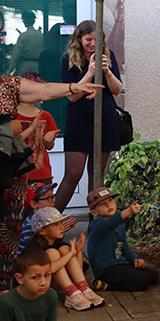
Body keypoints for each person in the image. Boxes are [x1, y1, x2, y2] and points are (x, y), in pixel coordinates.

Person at [0, 40, 102, 303]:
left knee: (11, 231)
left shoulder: (7, 85)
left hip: (10, 171)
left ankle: (2, 289)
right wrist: (7, 128)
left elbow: (42, 90)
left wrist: (74, 87)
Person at [53, 21, 123, 212]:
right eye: (88, 39)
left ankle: (96, 226)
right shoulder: (68, 59)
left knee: (97, 176)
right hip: (79, 122)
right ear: (79, 39)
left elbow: (117, 90)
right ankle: (49, 222)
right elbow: (73, 96)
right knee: (72, 175)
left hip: (105, 119)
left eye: (96, 40)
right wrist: (91, 72)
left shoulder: (108, 56)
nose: (93, 44)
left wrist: (107, 71)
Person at [29, 207, 103, 311]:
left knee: (65, 249)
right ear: (42, 231)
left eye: (61, 222)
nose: (61, 227)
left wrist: (78, 251)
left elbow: (77, 270)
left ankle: (84, 289)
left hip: (53, 286)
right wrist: (70, 255)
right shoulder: (34, 248)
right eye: (55, 224)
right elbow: (49, 269)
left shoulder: (59, 244)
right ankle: (71, 293)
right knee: (53, 253)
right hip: (37, 288)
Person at [85, 188, 158, 292]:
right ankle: (105, 285)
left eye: (110, 201)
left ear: (115, 202)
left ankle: (119, 279)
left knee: (153, 276)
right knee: (143, 281)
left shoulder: (120, 223)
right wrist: (129, 211)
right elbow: (110, 223)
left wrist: (134, 259)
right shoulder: (96, 225)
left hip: (121, 263)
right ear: (94, 212)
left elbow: (123, 245)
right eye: (102, 204)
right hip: (106, 269)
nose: (108, 205)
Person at [17, 73, 59, 186]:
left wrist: (47, 141)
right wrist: (31, 128)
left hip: (42, 175)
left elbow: (49, 147)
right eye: (37, 89)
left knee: (44, 202)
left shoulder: (46, 116)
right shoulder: (11, 116)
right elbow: (10, 143)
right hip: (17, 175)